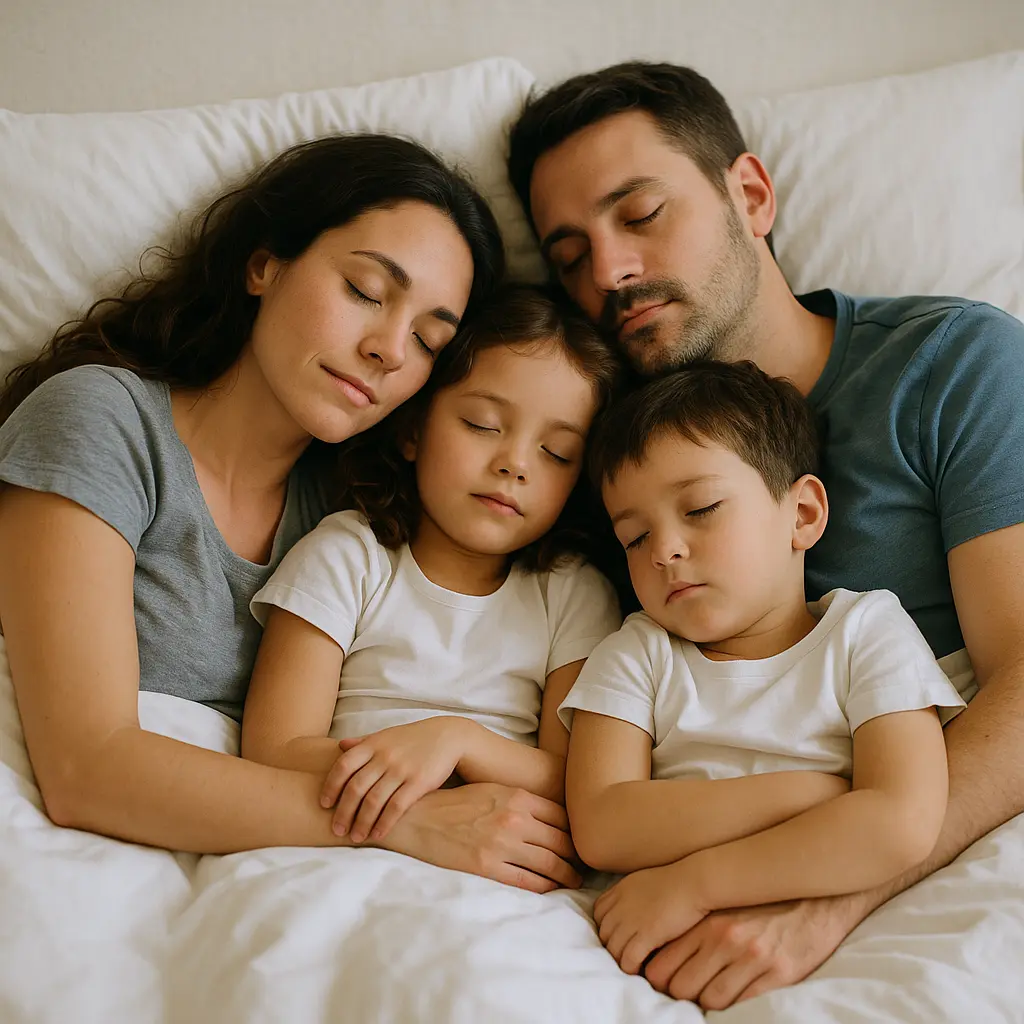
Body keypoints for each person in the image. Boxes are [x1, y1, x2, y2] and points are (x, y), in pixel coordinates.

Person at [507, 60, 1024, 1003]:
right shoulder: (592, 451)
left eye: (641, 213)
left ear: (748, 194)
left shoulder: (950, 364)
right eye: (570, 254)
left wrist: (828, 894)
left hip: (922, 845)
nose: (610, 273)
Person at [0, 132, 589, 895]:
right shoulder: (100, 423)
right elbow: (86, 766)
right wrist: (406, 825)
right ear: (264, 264)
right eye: (367, 292)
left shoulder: (360, 510)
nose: (388, 349)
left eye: (428, 338)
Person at [558, 359, 965, 984]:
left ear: (801, 514)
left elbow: (902, 822)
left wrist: (698, 882)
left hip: (808, 940)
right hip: (645, 945)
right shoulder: (638, 653)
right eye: (634, 537)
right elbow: (602, 826)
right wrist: (807, 796)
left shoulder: (866, 634)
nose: (664, 549)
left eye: (700, 508)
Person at [241, 286, 621, 846]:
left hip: (504, 863)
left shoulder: (572, 594)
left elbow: (578, 780)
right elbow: (275, 749)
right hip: (340, 841)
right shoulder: (348, 556)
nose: (515, 464)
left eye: (557, 453)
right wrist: (417, 786)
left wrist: (455, 741)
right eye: (484, 424)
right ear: (413, 429)